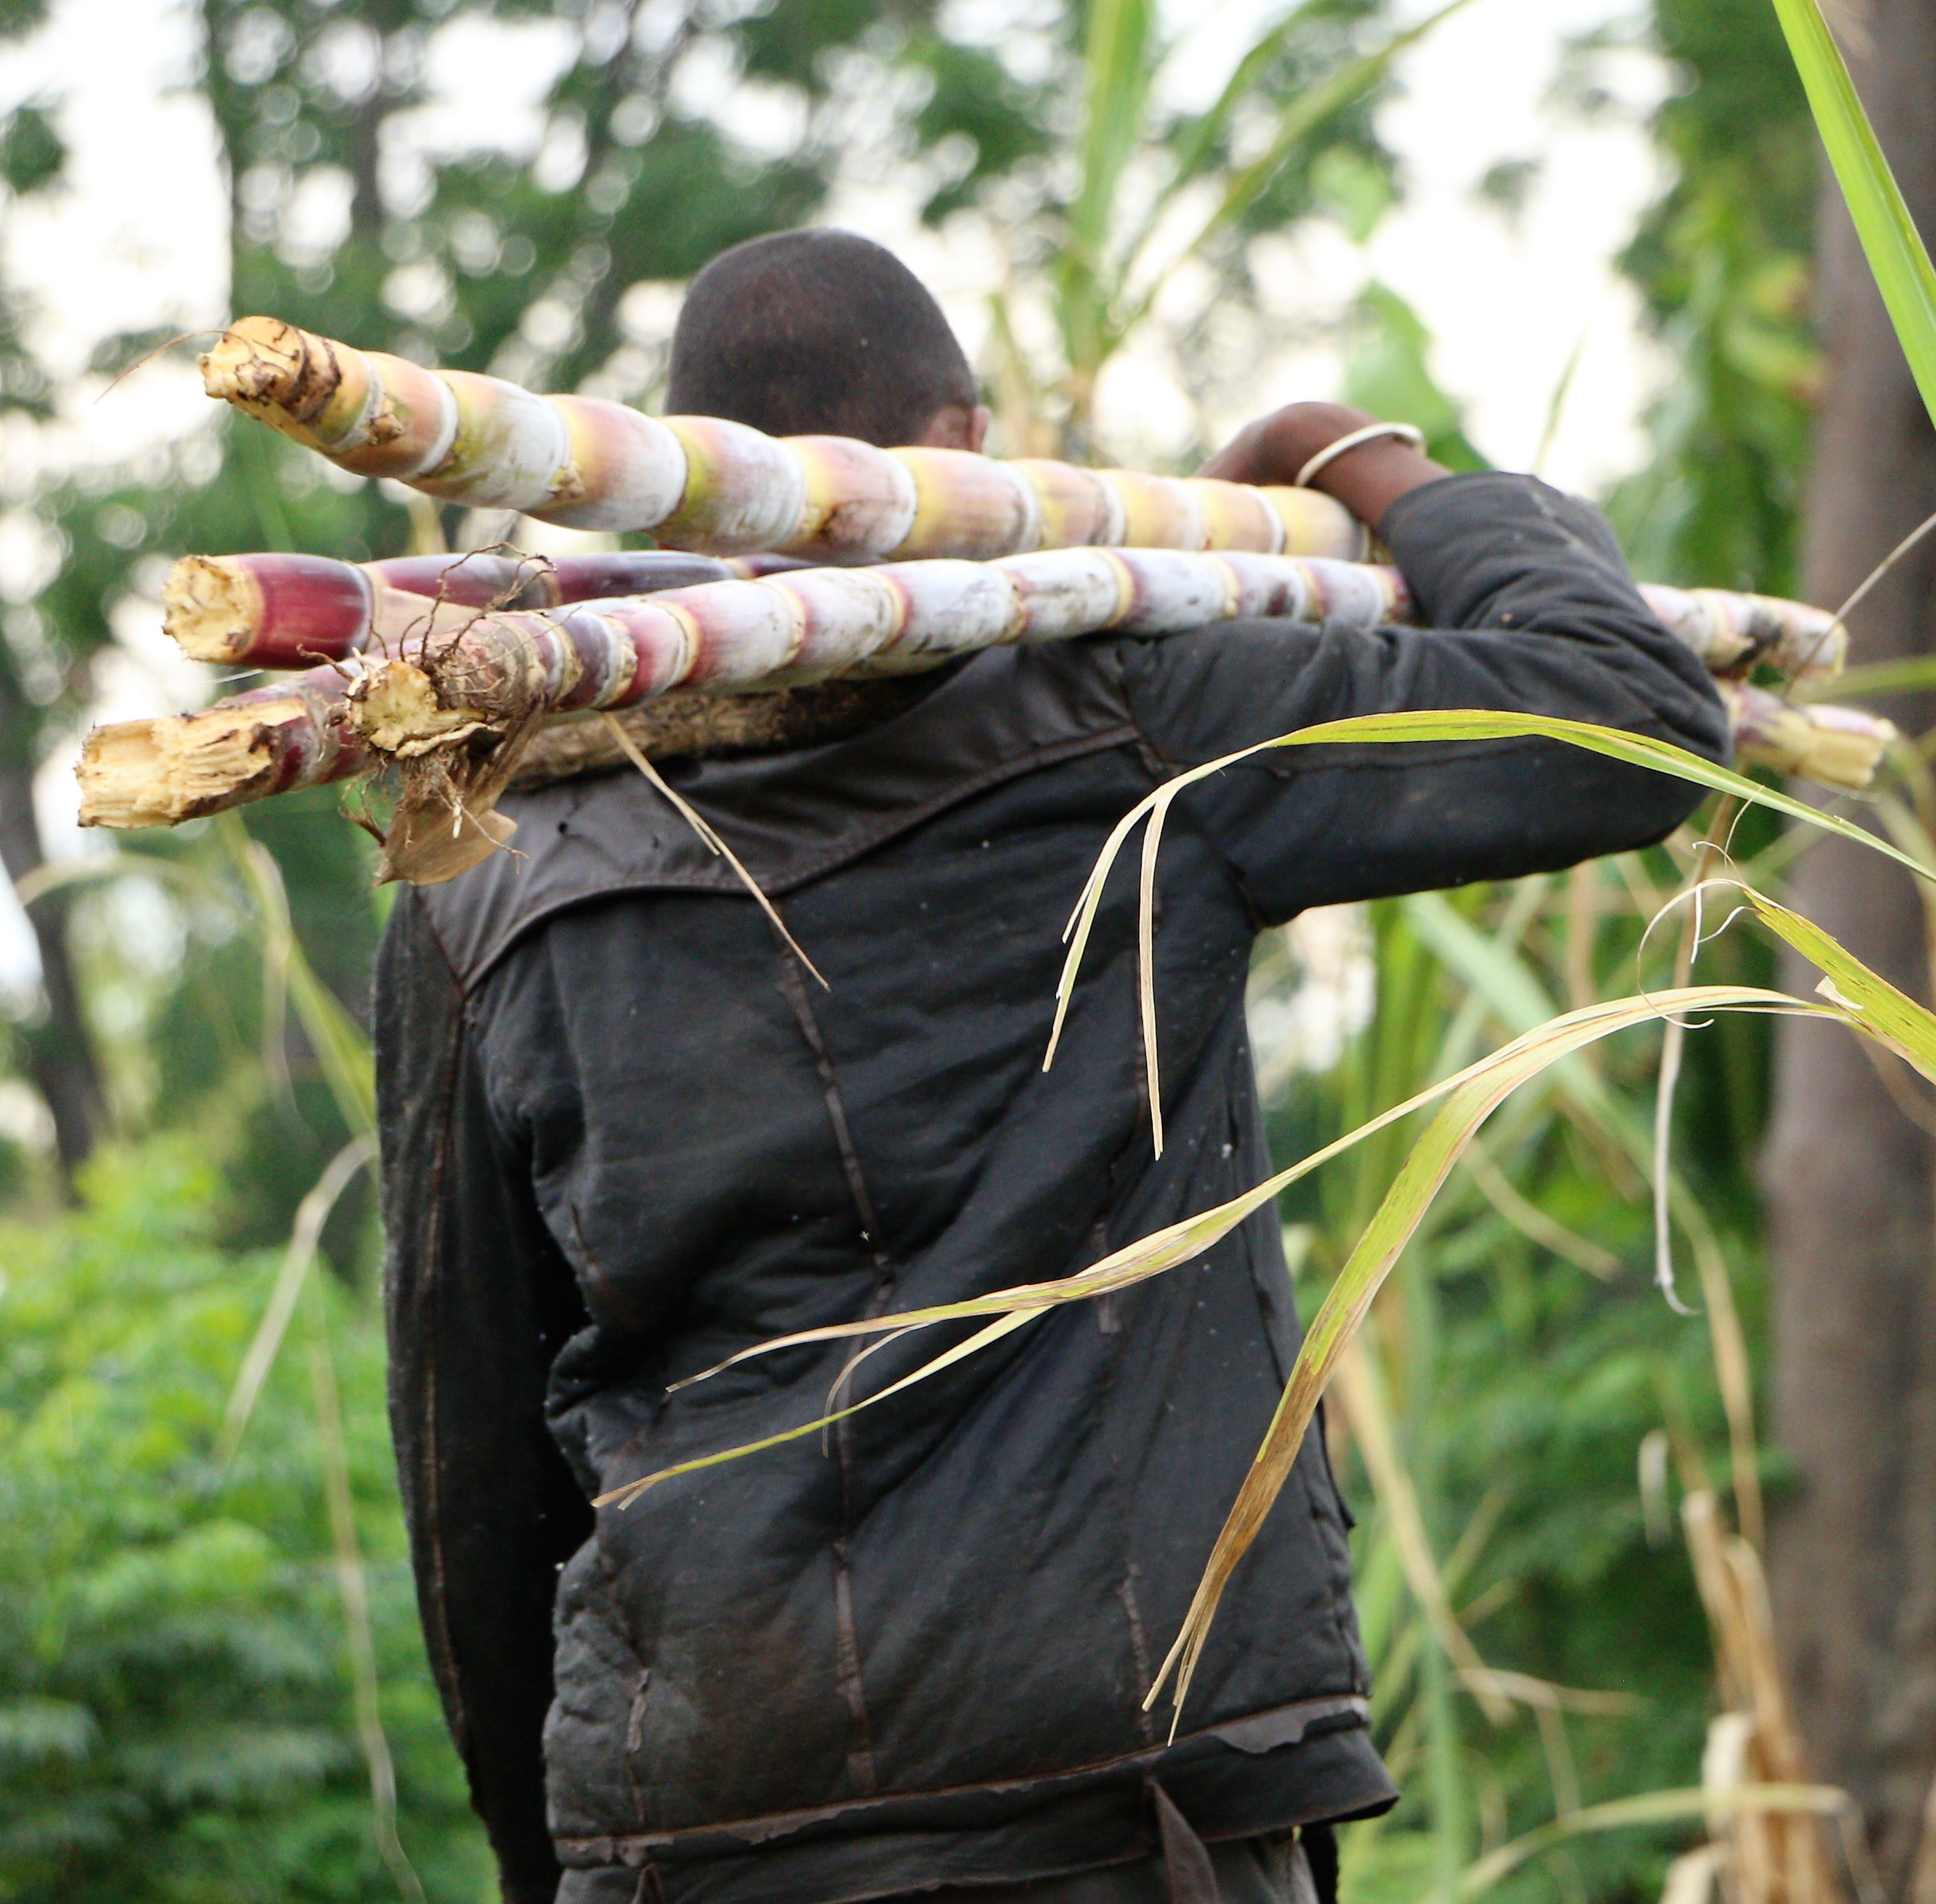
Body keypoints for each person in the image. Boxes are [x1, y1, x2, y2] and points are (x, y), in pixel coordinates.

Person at [376, 228, 1727, 1904]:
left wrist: (565, 1853)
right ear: (965, 460)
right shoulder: (1140, 718)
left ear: (681, 501)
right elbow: (1623, 708)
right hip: (1124, 1802)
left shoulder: (489, 867)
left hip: (708, 1814)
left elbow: (475, 1461)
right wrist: (1348, 454)